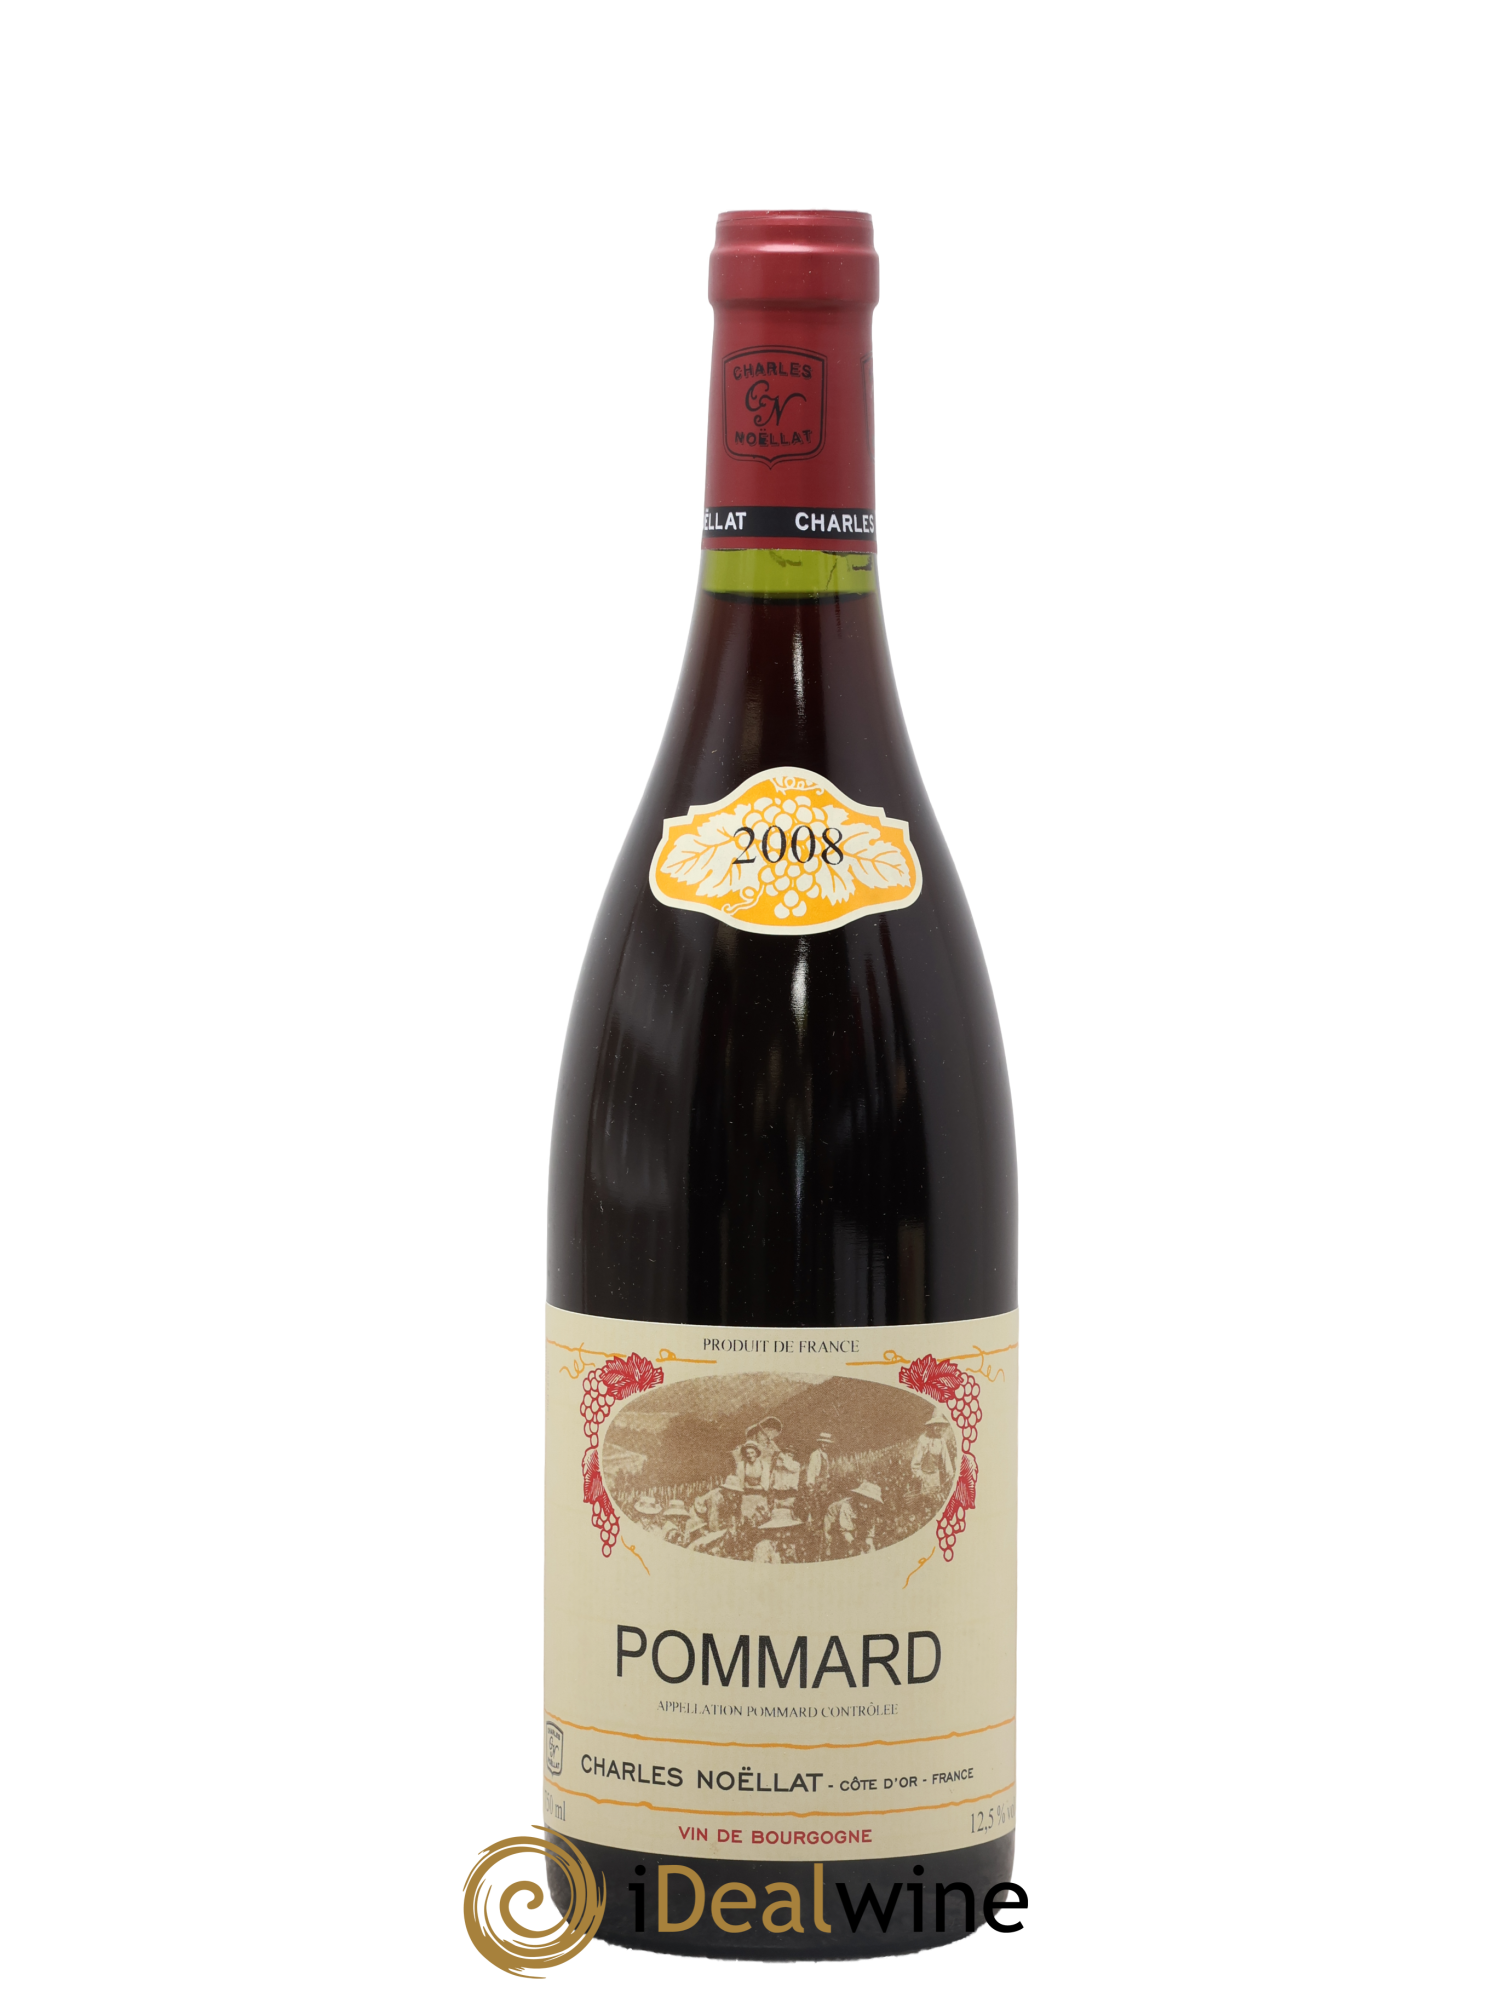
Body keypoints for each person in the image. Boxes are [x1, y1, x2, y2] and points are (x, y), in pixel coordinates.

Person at [823, 1481, 882, 1557]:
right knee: (831, 1540)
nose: (865, 1506)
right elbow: (844, 1530)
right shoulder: (847, 1506)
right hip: (833, 1515)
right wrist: (853, 1541)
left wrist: (869, 1548)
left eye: (869, 1503)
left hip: (853, 1516)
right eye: (864, 1501)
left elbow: (869, 1534)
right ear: (859, 1497)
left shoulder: (871, 1510)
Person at [910, 1410, 958, 1501]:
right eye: (936, 1425)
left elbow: (946, 1460)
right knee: (925, 1501)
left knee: (936, 1500)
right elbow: (915, 1464)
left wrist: (950, 1474)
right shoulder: (924, 1440)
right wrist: (921, 1476)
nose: (938, 1428)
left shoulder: (941, 1441)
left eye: (940, 1425)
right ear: (931, 1426)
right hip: (924, 1478)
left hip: (936, 1478)